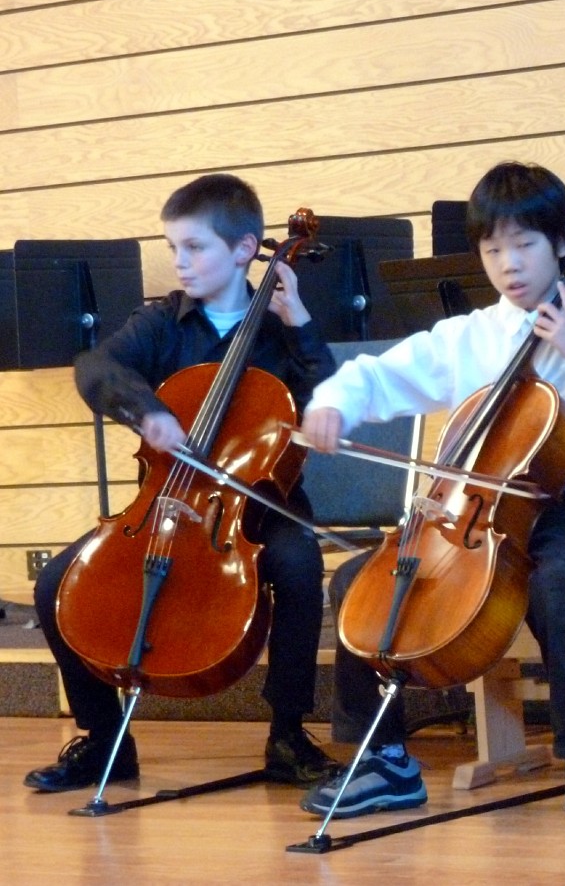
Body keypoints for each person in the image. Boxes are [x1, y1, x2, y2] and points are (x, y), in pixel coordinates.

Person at [297, 160, 565, 820]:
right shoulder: (465, 337)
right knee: (355, 582)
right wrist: (331, 402)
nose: (508, 263)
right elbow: (376, 377)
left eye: (525, 244)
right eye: (493, 247)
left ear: (563, 242)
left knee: (554, 591)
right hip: (465, 513)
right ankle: (385, 761)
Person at [24, 173, 342, 794]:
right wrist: (148, 411)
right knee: (54, 584)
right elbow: (96, 367)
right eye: (175, 248)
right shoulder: (163, 323)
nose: (180, 262)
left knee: (300, 565)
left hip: (257, 506)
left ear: (247, 249)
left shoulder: (281, 330)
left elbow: (330, 399)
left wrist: (300, 320)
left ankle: (287, 733)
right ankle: (104, 739)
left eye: (194, 248)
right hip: (165, 499)